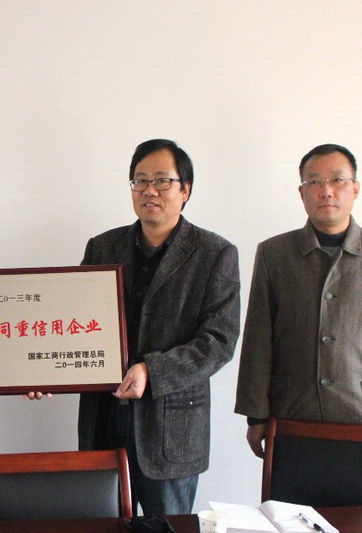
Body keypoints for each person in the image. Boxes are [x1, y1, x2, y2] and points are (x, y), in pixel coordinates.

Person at [76, 139, 240, 515]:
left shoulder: (215, 253)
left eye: (162, 180)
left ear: (185, 190)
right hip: (103, 421)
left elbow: (219, 341)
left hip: (170, 429)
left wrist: (152, 371)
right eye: (140, 180)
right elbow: (75, 323)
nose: (149, 190)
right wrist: (43, 373)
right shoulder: (102, 247)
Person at [235, 143, 362, 459]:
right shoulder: (274, 254)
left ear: (355, 188)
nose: (326, 190)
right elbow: (258, 340)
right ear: (302, 192)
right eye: (315, 182)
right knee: (292, 494)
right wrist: (256, 416)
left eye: (337, 180)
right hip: (292, 415)